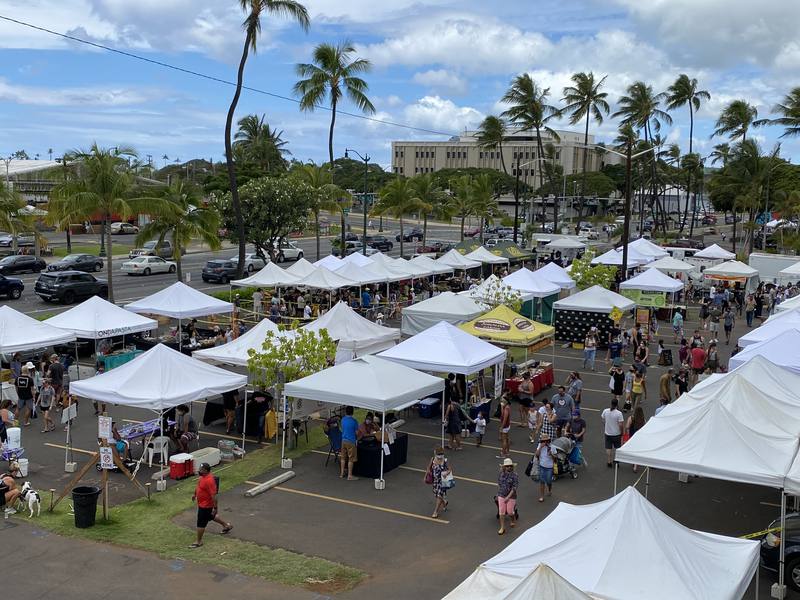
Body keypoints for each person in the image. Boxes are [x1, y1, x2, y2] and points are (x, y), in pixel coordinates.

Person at [190, 463, 232, 548]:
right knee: (210, 516)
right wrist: (195, 494)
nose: (199, 470)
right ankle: (226, 526)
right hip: (202, 503)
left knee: (201, 523)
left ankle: (199, 541)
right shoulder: (202, 477)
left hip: (206, 505)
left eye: (201, 469)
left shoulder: (209, 480)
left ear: (205, 470)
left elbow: (214, 496)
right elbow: (198, 486)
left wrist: (215, 508)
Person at [496, 458, 519, 535]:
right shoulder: (501, 474)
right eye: (507, 466)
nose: (509, 467)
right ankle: (502, 527)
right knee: (501, 512)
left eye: (510, 466)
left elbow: (514, 488)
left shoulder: (515, 475)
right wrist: (500, 494)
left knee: (509, 512)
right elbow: (499, 483)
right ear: (504, 467)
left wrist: (508, 497)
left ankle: (513, 519)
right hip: (501, 495)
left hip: (511, 496)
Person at [601, 398, 624, 467]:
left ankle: (609, 461)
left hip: (608, 433)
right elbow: (620, 425)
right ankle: (616, 461)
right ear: (617, 405)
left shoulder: (605, 411)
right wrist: (622, 432)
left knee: (608, 448)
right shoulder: (619, 413)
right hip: (616, 434)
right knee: (617, 448)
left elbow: (603, 420)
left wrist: (605, 425)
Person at [429, 447, 451, 519]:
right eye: (438, 454)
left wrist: (446, 473)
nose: (440, 455)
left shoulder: (445, 461)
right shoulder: (433, 459)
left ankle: (435, 512)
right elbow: (428, 468)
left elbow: (450, 469)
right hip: (435, 481)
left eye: (441, 454)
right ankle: (444, 502)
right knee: (437, 495)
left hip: (442, 481)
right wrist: (426, 476)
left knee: (439, 496)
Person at [535, 433, 556, 502]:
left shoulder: (552, 447)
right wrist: (541, 447)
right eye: (543, 441)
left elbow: (555, 459)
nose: (545, 442)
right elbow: (536, 454)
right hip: (542, 466)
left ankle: (549, 489)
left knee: (549, 481)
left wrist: (551, 454)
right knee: (542, 481)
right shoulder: (540, 445)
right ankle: (541, 496)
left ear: (549, 440)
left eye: (546, 441)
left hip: (549, 467)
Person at [624, 406, 646, 472]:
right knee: (637, 450)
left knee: (632, 450)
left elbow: (627, 427)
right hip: (639, 437)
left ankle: (634, 464)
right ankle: (635, 465)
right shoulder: (643, 419)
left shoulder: (631, 418)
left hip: (632, 436)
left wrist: (627, 434)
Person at [339, 406, 359, 481]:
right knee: (351, 458)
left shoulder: (343, 420)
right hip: (351, 441)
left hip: (343, 440)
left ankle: (341, 473)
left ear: (345, 412)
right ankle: (350, 475)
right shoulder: (354, 421)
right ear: (352, 412)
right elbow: (357, 433)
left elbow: (342, 428)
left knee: (343, 457)